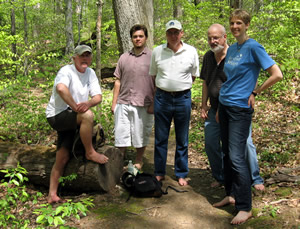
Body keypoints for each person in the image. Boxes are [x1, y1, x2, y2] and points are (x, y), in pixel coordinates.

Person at [213, 10, 283, 225]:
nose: (235, 26)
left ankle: (245, 207)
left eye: (239, 23)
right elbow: (230, 79)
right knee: (226, 152)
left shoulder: (254, 47)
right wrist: (218, 107)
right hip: (224, 106)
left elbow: (277, 74)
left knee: (236, 157)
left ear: (247, 25)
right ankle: (231, 194)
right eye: (232, 23)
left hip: (240, 109)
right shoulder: (232, 48)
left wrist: (255, 92)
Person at [200, 23, 264, 190]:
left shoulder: (235, 54)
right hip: (214, 109)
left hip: (234, 108)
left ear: (224, 37)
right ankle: (222, 176)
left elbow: (249, 74)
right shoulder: (208, 57)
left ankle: (255, 178)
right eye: (210, 38)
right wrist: (203, 105)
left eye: (216, 38)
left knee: (245, 144)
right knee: (211, 143)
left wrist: (253, 93)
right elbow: (206, 82)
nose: (212, 41)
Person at [46, 45, 109, 204]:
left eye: (88, 56)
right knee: (87, 116)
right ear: (74, 58)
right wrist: (76, 106)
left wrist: (87, 103)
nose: (85, 59)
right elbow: (61, 88)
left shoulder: (90, 73)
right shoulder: (66, 71)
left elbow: (98, 97)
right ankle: (90, 152)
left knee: (63, 156)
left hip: (72, 117)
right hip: (57, 115)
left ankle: (52, 194)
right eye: (82, 56)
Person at [149, 20, 200, 186]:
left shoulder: (191, 51)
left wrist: (179, 86)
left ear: (181, 33)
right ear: (166, 34)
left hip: (183, 98)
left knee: (182, 138)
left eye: (176, 32)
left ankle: (181, 173)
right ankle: (159, 172)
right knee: (161, 137)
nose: (173, 36)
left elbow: (193, 75)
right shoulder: (157, 51)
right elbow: (153, 75)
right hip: (162, 98)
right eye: (170, 32)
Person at [111, 24, 155, 170]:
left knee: (140, 134)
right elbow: (117, 81)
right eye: (135, 36)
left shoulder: (153, 57)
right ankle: (119, 160)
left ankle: (138, 159)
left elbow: (158, 82)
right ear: (131, 38)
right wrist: (114, 103)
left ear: (146, 38)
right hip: (123, 102)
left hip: (143, 103)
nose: (138, 39)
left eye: (141, 36)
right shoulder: (124, 57)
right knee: (121, 133)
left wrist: (154, 103)